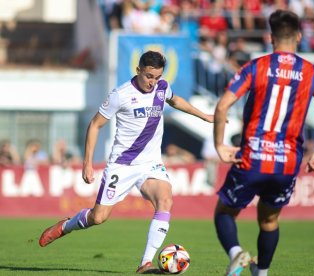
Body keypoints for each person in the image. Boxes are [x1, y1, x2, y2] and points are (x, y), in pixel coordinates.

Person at [38, 50, 214, 273]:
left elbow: (176, 100)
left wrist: (205, 116)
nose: (153, 82)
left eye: (158, 77)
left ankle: (145, 263)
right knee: (98, 217)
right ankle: (66, 226)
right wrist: (87, 162)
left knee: (165, 200)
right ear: (139, 70)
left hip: (150, 164)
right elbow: (95, 125)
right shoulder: (120, 95)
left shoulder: (161, 87)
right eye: (149, 76)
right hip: (122, 165)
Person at [213, 10, 314, 276]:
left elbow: (223, 106)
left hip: (253, 157)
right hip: (287, 162)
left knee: (225, 212)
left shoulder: (255, 67)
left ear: (270, 37)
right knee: (269, 220)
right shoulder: (312, 72)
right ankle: (262, 273)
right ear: (299, 36)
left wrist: (220, 145)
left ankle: (237, 254)